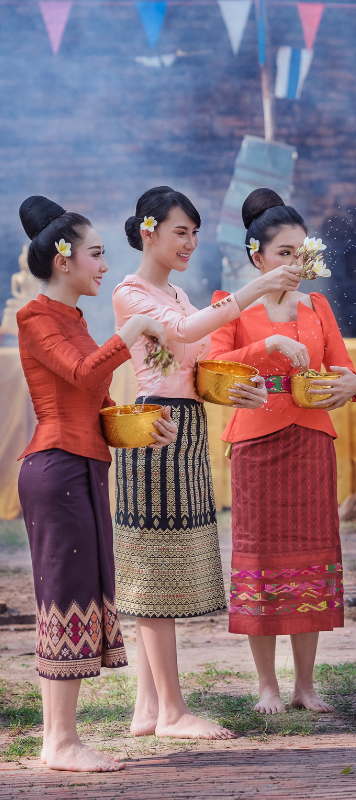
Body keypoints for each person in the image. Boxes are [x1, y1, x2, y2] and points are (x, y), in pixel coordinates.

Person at [112, 186, 302, 740]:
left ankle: (148, 709)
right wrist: (255, 291)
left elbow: (200, 359)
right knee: (154, 573)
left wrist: (239, 381)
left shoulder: (175, 291)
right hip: (157, 429)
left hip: (185, 427)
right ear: (149, 232)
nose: (190, 242)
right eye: (181, 232)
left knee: (166, 571)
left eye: (195, 233)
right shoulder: (132, 292)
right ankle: (171, 712)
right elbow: (179, 336)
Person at [16, 195, 176, 772]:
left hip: (81, 467)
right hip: (55, 469)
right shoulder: (34, 318)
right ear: (64, 260)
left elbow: (97, 400)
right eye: (97, 253)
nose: (105, 265)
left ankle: (63, 737)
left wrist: (139, 429)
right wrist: (132, 330)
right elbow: (83, 372)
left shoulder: (76, 321)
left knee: (81, 596)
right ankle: (58, 742)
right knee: (63, 600)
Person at [209, 188, 356, 715]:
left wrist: (354, 383)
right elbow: (214, 368)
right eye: (284, 253)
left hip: (312, 442)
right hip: (256, 445)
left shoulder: (318, 306)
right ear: (257, 256)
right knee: (262, 563)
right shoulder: (230, 306)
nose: (296, 263)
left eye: (302, 252)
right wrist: (269, 346)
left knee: (311, 560)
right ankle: (266, 686)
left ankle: (305, 684)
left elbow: (344, 366)